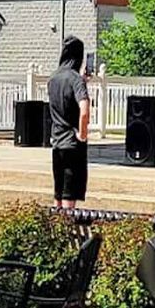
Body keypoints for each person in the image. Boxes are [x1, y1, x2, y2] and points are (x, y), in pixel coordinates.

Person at [47, 35, 90, 208]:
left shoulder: (53, 78)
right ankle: (68, 224)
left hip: (57, 142)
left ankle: (56, 223)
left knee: (58, 192)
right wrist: (82, 135)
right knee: (69, 194)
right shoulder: (75, 79)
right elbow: (84, 110)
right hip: (72, 143)